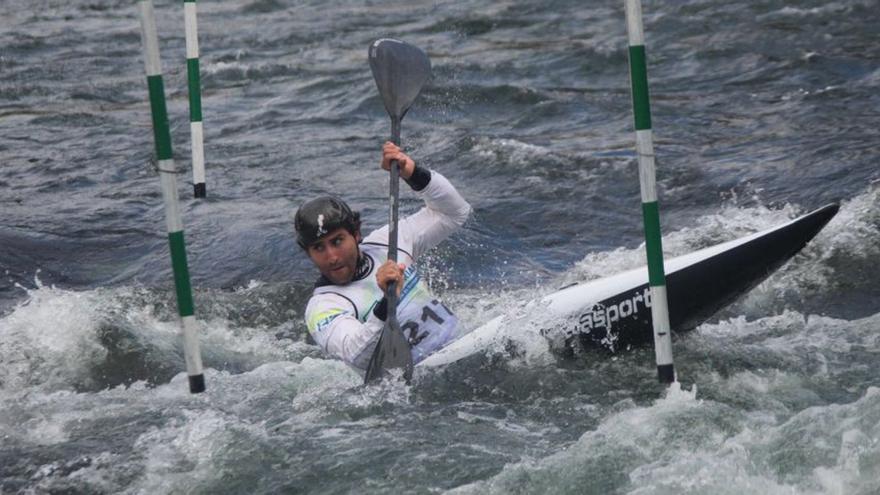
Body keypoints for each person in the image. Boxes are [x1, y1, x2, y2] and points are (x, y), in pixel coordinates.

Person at [295, 142, 471, 372]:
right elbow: (356, 354)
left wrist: (413, 172)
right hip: (418, 382)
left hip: (463, 344)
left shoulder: (387, 242)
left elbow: (455, 212)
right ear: (308, 253)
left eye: (337, 241)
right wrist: (387, 301)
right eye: (319, 248)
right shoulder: (323, 307)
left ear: (356, 234)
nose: (332, 256)